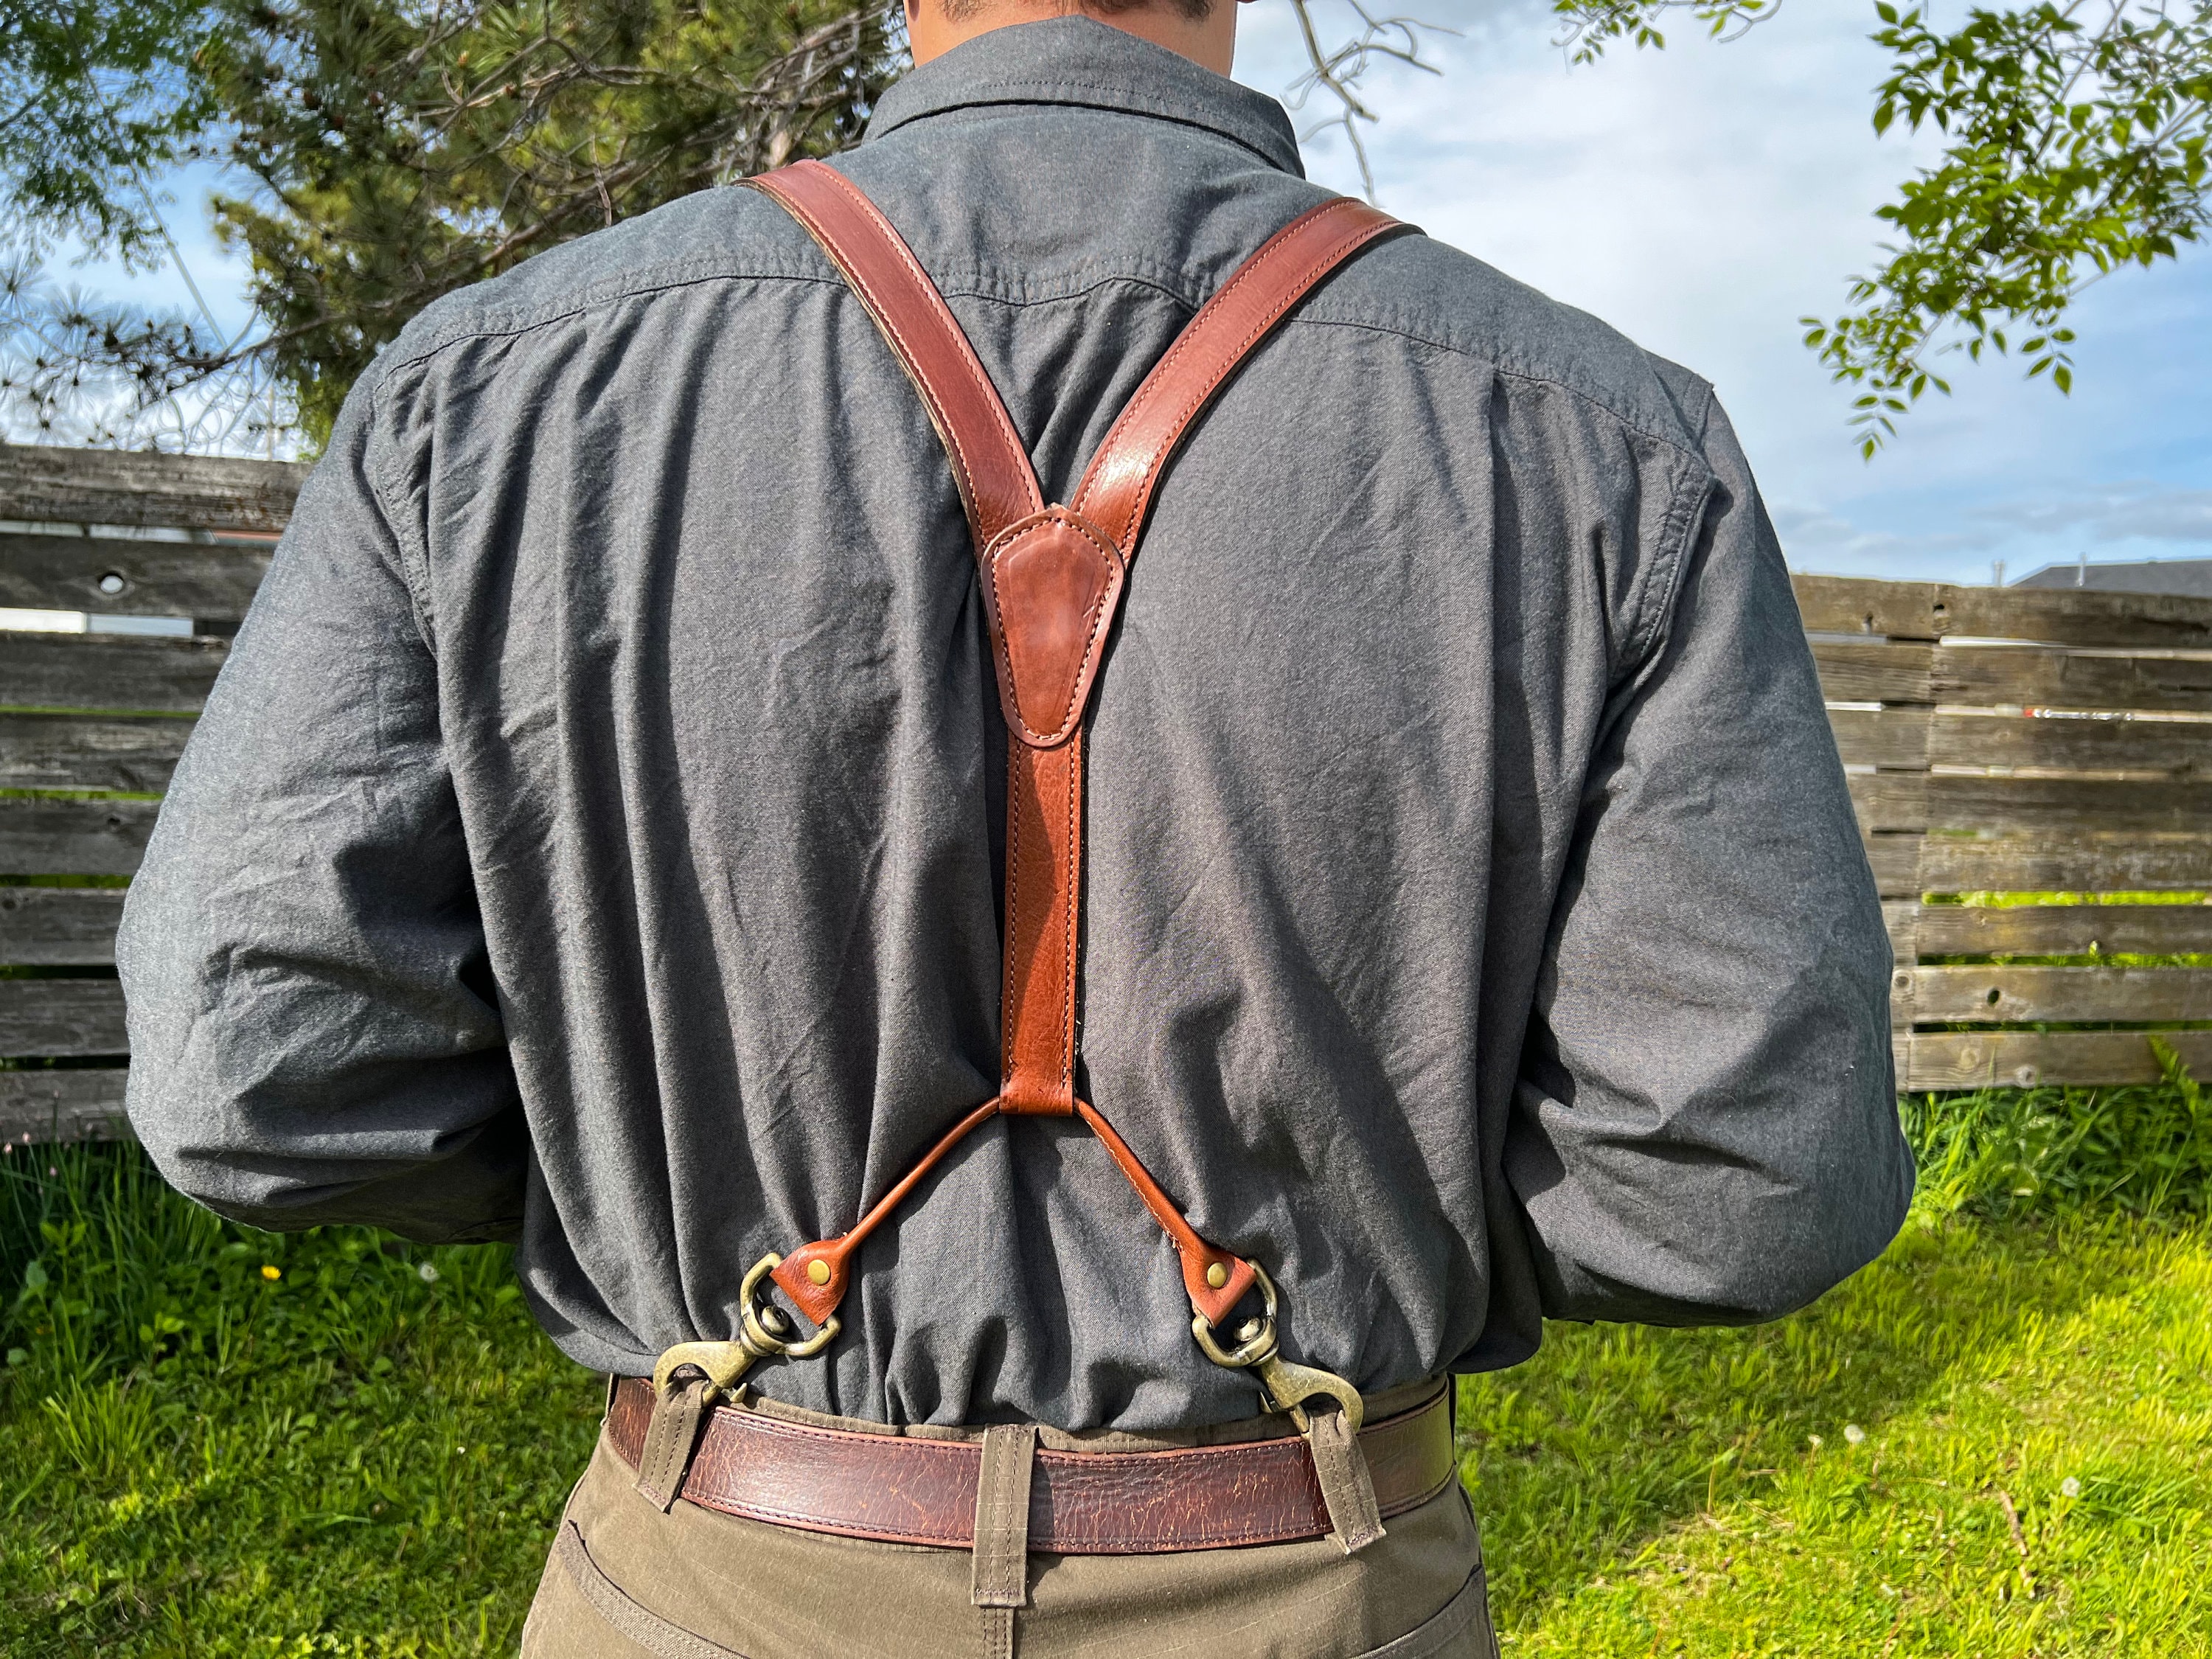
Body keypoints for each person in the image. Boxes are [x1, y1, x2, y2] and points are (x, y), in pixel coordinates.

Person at [116, 0, 1915, 1652]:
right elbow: (1743, 1186)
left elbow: (260, 1066)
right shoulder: (1606, 443)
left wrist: (631, 1166)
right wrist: (1387, 1227)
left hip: (712, 1586)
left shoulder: (490, 389)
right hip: (1313, 1583)